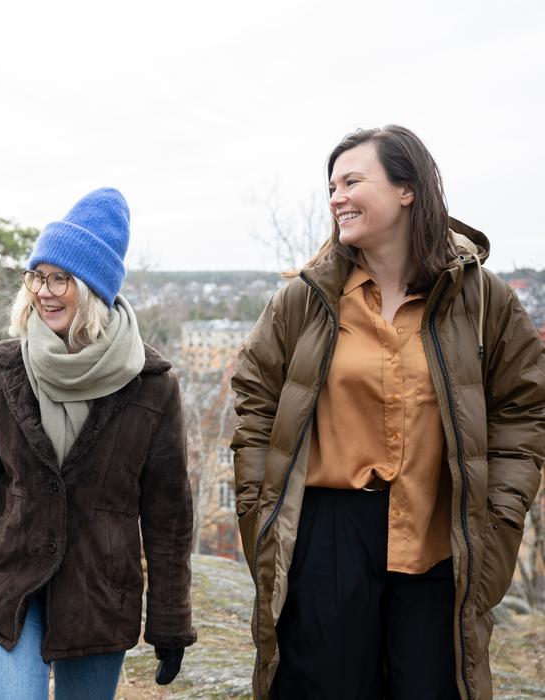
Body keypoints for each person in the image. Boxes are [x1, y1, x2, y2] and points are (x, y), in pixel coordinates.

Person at [231, 125, 545, 699]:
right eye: (331, 186)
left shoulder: (483, 300)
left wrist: (499, 516)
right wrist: (257, 506)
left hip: (438, 532)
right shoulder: (305, 300)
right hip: (325, 535)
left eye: (353, 180)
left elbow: (524, 411)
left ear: (408, 190)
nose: (336, 198)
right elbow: (254, 401)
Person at [0, 188, 196, 699]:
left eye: (59, 279)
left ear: (92, 287)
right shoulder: (5, 370)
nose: (43, 292)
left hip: (99, 594)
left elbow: (169, 515)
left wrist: (170, 619)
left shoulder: (152, 385)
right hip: (10, 584)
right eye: (37, 277)